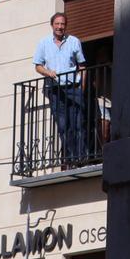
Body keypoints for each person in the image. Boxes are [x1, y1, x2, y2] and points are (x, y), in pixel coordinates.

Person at [32, 12, 88, 165]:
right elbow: (38, 66)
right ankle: (70, 157)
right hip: (55, 89)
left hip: (73, 87)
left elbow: (82, 66)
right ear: (52, 25)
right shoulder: (43, 43)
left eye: (62, 24)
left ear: (65, 26)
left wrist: (81, 88)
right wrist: (48, 72)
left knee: (78, 123)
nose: (60, 27)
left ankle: (81, 157)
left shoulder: (74, 41)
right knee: (63, 125)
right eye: (57, 24)